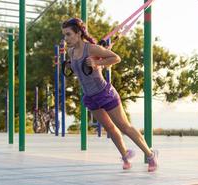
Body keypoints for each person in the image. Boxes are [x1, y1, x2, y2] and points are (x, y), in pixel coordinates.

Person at [61, 18, 158, 172]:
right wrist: (69, 64)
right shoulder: (71, 52)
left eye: (68, 34)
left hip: (105, 93)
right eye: (64, 35)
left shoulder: (92, 48)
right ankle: (125, 156)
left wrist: (97, 63)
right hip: (89, 96)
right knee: (109, 127)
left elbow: (116, 58)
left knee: (124, 126)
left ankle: (150, 155)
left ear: (78, 33)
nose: (66, 39)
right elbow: (79, 68)